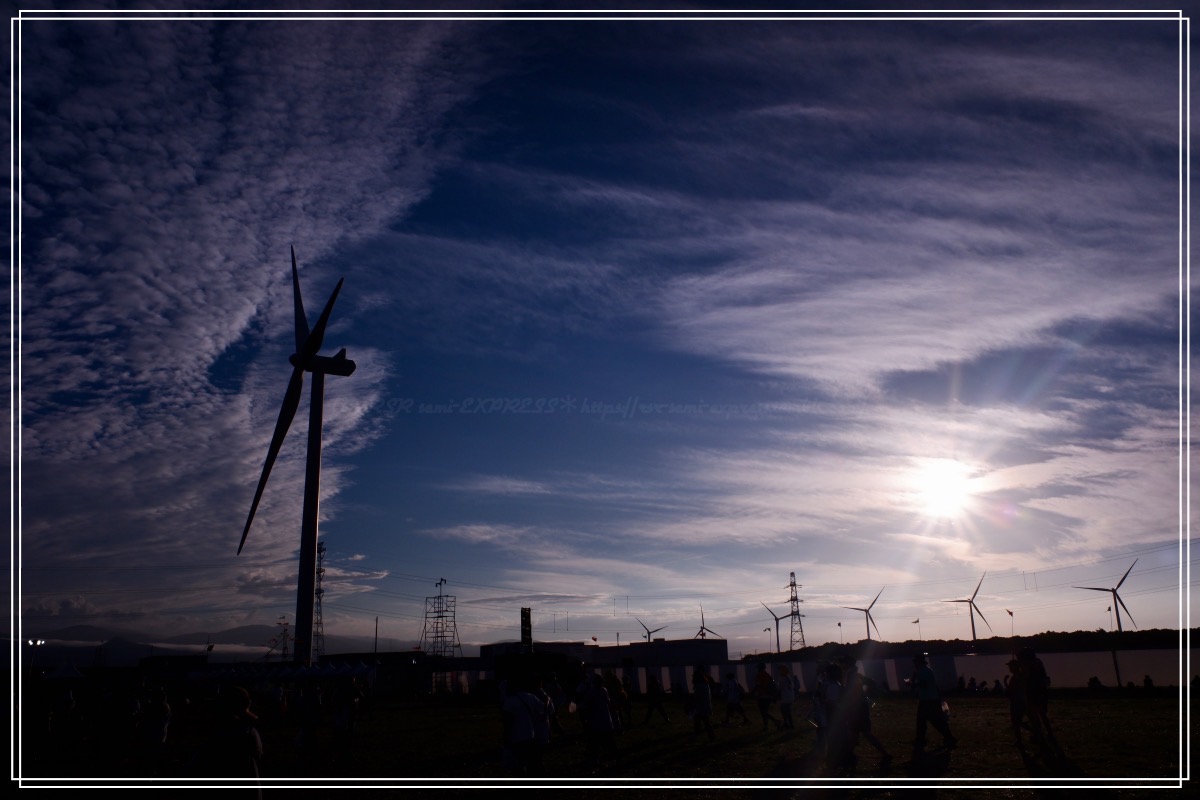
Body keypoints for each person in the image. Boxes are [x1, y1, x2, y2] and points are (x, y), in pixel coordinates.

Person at [909, 654, 956, 752]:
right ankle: (948, 738)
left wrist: (912, 684)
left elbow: (923, 684)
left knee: (927, 721)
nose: (914, 664)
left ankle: (923, 740)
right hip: (931, 699)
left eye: (915, 662)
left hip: (928, 700)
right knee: (931, 721)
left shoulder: (923, 671)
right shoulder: (926, 670)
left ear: (919, 662)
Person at [753, 662, 780, 732]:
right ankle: (766, 726)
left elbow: (757, 685)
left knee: (763, 712)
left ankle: (774, 721)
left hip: (762, 696)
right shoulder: (768, 675)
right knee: (765, 712)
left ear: (759, 668)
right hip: (768, 696)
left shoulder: (759, 675)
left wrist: (753, 693)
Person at [690, 669, 716, 741]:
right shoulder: (706, 684)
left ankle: (699, 735)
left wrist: (692, 703)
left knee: (701, 722)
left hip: (701, 706)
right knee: (704, 722)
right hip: (705, 705)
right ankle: (710, 735)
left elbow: (697, 697)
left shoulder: (699, 686)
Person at [776, 665, 796, 730]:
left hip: (785, 697)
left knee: (785, 711)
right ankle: (788, 724)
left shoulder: (783, 678)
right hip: (790, 697)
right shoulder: (788, 677)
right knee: (786, 711)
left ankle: (788, 724)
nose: (779, 672)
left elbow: (780, 688)